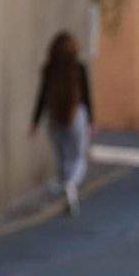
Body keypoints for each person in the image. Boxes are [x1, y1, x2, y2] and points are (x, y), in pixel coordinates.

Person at [30, 32, 94, 216]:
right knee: (78, 157)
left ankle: (66, 183)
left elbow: (41, 97)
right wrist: (91, 120)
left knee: (63, 156)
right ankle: (71, 184)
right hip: (77, 115)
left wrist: (35, 122)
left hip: (54, 116)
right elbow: (87, 96)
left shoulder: (49, 69)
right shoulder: (78, 68)